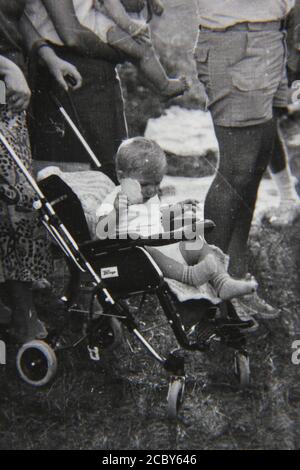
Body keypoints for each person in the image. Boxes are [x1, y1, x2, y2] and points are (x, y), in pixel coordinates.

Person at [194, 1, 295, 319]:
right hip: (237, 37)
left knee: (253, 167)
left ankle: (234, 281)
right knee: (236, 169)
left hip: (270, 35)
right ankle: (209, 296)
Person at [0, 0, 83, 343]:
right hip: (7, 79)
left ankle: (17, 303)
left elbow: (13, 17)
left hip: (11, 92)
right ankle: (22, 314)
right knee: (14, 201)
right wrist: (5, 68)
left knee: (19, 200)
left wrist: (47, 57)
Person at [96, 137, 258, 301]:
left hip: (161, 245)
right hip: (136, 258)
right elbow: (101, 232)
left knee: (196, 243)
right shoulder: (114, 199)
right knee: (147, 250)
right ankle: (189, 276)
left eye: (157, 183)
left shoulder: (149, 198)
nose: (152, 190)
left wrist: (177, 209)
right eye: (144, 185)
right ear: (121, 176)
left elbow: (157, 216)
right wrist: (117, 212)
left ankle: (223, 283)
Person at [25, 0, 130, 183]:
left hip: (74, 63)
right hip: (69, 63)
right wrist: (120, 53)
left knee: (107, 165)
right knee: (78, 169)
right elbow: (71, 34)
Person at [92, 0, 188, 97]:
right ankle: (164, 85)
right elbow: (112, 6)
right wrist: (130, 27)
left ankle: (156, 86)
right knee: (144, 51)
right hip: (108, 23)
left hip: (122, 19)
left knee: (142, 53)